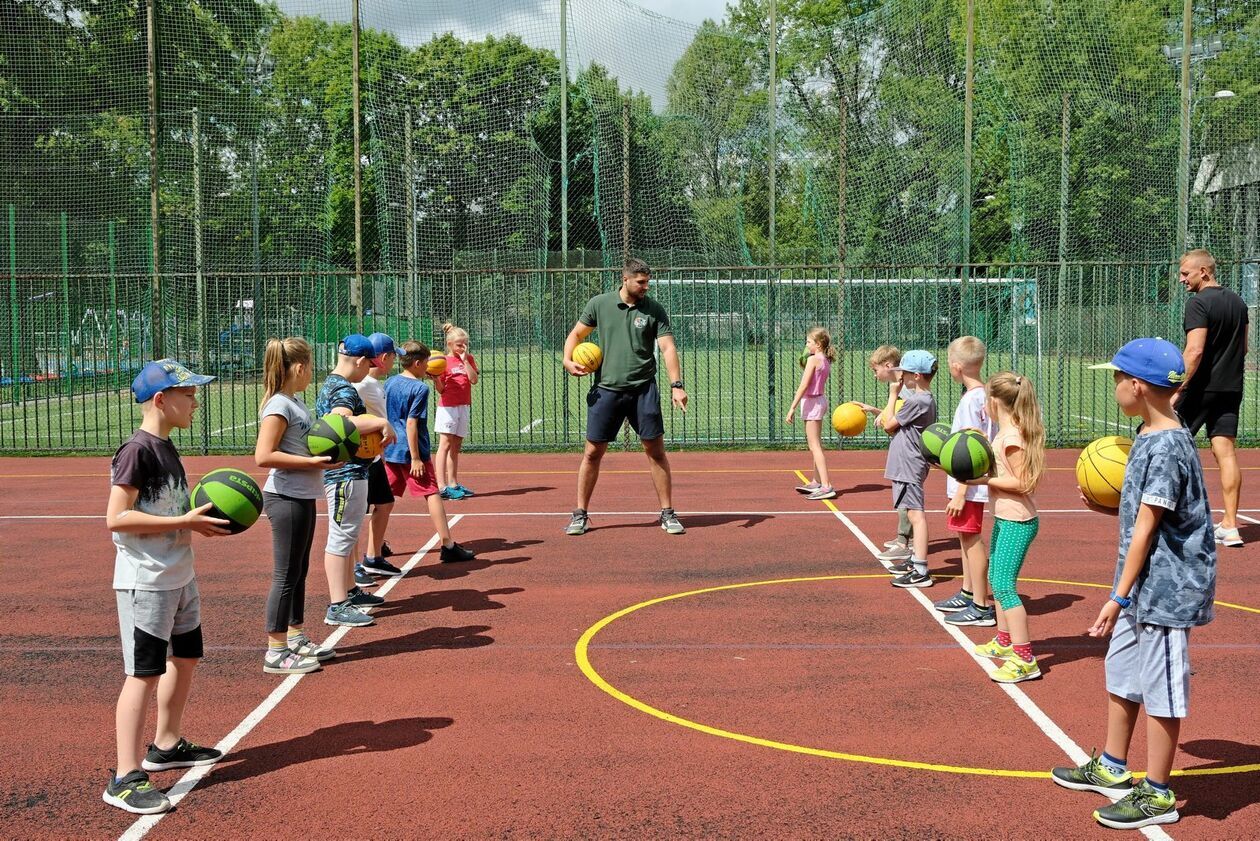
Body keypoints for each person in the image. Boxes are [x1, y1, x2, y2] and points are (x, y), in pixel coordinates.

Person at [1052, 338, 1216, 831]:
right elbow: (1147, 514)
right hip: (1142, 583)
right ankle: (1112, 766)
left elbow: (1148, 526)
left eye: (1117, 379)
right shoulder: (1148, 432)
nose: (1115, 387)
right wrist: (1108, 506)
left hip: (1166, 590)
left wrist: (1116, 596)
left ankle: (1159, 792)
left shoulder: (1166, 444)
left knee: (1163, 687)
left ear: (1137, 386)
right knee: (1122, 673)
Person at [103, 360, 227, 814]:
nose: (196, 401)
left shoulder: (167, 446)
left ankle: (167, 743)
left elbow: (171, 506)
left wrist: (201, 520)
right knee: (143, 674)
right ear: (161, 399)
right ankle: (124, 776)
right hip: (147, 582)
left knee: (187, 656)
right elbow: (117, 517)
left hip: (179, 574)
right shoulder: (137, 450)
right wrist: (185, 521)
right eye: (188, 394)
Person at [562, 257, 688, 536]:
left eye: (647, 282)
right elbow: (576, 334)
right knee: (592, 453)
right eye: (641, 282)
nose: (646, 287)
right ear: (626, 279)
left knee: (655, 452)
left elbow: (667, 347)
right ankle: (580, 514)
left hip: (644, 389)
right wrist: (567, 360)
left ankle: (667, 513)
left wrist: (676, 384)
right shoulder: (600, 304)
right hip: (606, 390)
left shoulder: (654, 309)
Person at [254, 338, 335, 675]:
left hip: (302, 494)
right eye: (311, 366)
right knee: (285, 574)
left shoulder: (294, 401)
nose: (311, 373)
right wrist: (312, 462)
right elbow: (264, 456)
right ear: (300, 367)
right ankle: (275, 651)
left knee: (299, 571)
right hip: (285, 496)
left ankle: (296, 636)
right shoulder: (278, 405)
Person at [967, 372, 1045, 682]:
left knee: (1004, 588)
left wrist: (985, 480)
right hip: (1006, 517)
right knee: (996, 582)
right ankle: (1003, 641)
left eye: (987, 399)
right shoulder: (1004, 432)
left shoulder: (1013, 438)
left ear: (996, 402)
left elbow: (1024, 482)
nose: (984, 405)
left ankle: (1025, 658)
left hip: (1018, 520)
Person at [316, 334, 395, 627]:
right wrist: (380, 422)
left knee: (348, 535)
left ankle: (350, 591)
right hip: (344, 473)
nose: (369, 370)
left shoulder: (333, 383)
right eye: (369, 364)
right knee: (341, 536)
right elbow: (341, 422)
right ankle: (337, 605)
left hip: (351, 471)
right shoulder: (344, 391)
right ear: (360, 361)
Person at [1175, 248, 1249, 547]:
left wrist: (1178, 387)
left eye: (1185, 274)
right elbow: (1244, 348)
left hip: (1200, 389)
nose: (1182, 279)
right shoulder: (1239, 302)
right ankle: (1231, 525)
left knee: (1171, 447)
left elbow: (1194, 351)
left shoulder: (1198, 303)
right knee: (1226, 453)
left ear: (1204, 271)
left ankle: (1171, 520)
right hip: (1231, 388)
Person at [383, 341, 477, 563]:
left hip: (392, 449)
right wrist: (415, 457)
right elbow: (411, 424)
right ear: (417, 363)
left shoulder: (389, 383)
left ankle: (376, 544)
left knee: (385, 499)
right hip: (412, 452)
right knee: (432, 493)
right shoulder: (420, 388)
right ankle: (448, 544)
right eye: (426, 363)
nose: (429, 367)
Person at [932, 336, 997, 626]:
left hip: (968, 484)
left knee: (971, 540)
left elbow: (972, 447)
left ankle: (982, 606)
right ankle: (968, 591)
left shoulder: (973, 400)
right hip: (967, 482)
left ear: (956, 367)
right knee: (964, 538)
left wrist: (961, 491)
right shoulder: (981, 395)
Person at [865, 349, 937, 587]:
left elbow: (889, 425)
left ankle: (920, 569)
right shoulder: (923, 399)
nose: (901, 378)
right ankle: (914, 561)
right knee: (912, 512)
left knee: (916, 516)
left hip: (909, 463)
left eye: (904, 373)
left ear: (916, 375)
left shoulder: (918, 400)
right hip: (907, 462)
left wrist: (893, 395)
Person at [353, 332, 404, 584]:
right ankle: (353, 568)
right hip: (359, 459)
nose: (395, 362)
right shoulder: (361, 385)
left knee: (384, 502)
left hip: (373, 457)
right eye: (394, 356)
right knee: (354, 514)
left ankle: (373, 557)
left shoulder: (373, 384)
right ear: (383, 357)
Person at [865, 345, 914, 563]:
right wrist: (878, 411)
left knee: (906, 496)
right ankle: (903, 538)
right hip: (903, 448)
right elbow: (896, 415)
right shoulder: (899, 387)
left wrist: (885, 417)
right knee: (901, 494)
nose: (875, 376)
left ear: (888, 365)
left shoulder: (903, 388)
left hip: (908, 451)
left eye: (876, 371)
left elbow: (896, 422)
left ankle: (905, 543)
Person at [786, 326, 837, 500]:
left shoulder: (813, 360)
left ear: (819, 344)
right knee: (817, 444)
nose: (806, 345)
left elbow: (804, 385)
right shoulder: (825, 360)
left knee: (814, 446)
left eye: (809, 342)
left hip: (812, 401)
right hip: (819, 400)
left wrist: (792, 407)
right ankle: (816, 481)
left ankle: (826, 485)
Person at [432, 321, 480, 500]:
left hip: (463, 405)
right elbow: (441, 389)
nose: (463, 347)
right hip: (448, 407)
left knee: (456, 446)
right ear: (449, 344)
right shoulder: (441, 361)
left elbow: (473, 380)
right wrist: (436, 379)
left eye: (465, 344)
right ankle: (441, 486)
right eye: (459, 345)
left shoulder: (469, 358)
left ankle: (453, 483)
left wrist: (465, 360)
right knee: (444, 444)